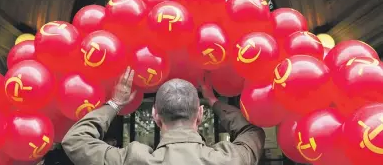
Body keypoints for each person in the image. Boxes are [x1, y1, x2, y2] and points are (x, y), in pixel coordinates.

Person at [62, 67, 265, 165]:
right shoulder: (229, 160)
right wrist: (213, 101)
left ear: (155, 116)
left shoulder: (133, 160)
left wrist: (115, 103)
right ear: (200, 115)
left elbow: (75, 140)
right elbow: (252, 132)